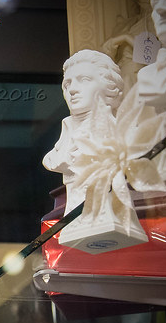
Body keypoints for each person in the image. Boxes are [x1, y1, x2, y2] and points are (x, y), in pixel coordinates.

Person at [43, 50, 126, 212]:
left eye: (84, 80)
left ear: (108, 85)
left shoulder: (123, 135)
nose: (72, 89)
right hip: (75, 224)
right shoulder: (63, 141)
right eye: (68, 84)